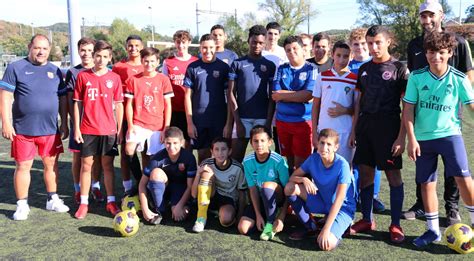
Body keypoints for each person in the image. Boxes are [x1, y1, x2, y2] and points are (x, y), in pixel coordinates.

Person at [402, 0, 474, 224]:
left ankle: (452, 208)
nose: (427, 20)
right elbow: (414, 81)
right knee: (425, 174)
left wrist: (457, 97)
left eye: (431, 15)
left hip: (450, 113)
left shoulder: (459, 42)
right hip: (423, 121)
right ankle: (423, 208)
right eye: (423, 16)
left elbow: (468, 74)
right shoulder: (415, 44)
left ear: (441, 15)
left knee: (456, 171)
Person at [348, 25, 408, 244]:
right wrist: (355, 129)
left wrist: (402, 137)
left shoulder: (399, 69)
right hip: (365, 127)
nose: (373, 47)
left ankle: (395, 224)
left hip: (389, 128)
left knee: (393, 176)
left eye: (377, 43)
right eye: (370, 43)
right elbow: (357, 102)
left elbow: (407, 105)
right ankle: (366, 219)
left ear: (388, 42)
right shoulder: (363, 68)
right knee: (365, 174)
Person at [0, 34, 69, 221]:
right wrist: (6, 122)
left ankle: (52, 198)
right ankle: (22, 204)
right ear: (30, 47)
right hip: (23, 129)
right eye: (37, 48)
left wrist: (65, 122)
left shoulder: (55, 71)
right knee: (23, 166)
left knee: (51, 165)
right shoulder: (16, 67)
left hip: (50, 129)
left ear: (49, 50)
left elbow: (63, 98)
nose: (41, 52)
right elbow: (5, 96)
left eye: (45, 48)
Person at [73, 40, 124, 219]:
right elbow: (77, 104)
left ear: (110, 58)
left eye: (105, 57)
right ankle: (84, 203)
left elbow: (118, 105)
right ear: (93, 56)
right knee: (86, 166)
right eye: (98, 56)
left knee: (107, 166)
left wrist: (119, 129)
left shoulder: (115, 78)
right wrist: (77, 128)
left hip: (109, 130)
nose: (101, 60)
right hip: (88, 129)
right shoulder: (83, 76)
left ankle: (111, 201)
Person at [285, 128, 356, 251]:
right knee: (290, 188)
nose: (324, 147)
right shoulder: (313, 159)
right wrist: (304, 180)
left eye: (329, 144)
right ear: (317, 144)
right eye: (322, 143)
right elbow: (292, 178)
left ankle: (341, 227)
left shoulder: (342, 165)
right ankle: (311, 226)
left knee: (326, 244)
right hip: (323, 201)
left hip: (342, 209)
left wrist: (326, 229)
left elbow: (339, 200)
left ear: (336, 147)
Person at [348, 28, 386, 213]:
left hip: (372, 121)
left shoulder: (375, 64)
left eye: (364, 43)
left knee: (373, 161)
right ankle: (356, 195)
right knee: (355, 161)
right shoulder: (346, 66)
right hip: (349, 121)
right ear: (351, 46)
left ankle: (374, 196)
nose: (361, 47)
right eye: (356, 44)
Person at [226, 25, 276, 162]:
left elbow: (272, 97)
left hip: (262, 118)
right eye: (254, 42)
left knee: (263, 157)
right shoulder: (237, 64)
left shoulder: (270, 65)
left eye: (260, 43)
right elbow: (230, 93)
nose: (257, 45)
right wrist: (237, 121)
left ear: (265, 43)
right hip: (242, 118)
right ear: (248, 41)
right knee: (236, 158)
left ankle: (261, 183)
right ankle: (235, 183)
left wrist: (268, 122)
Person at [124, 47, 174, 181]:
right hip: (138, 123)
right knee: (129, 149)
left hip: (157, 125)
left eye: (152, 61)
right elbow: (128, 104)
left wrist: (166, 127)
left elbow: (168, 105)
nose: (149, 64)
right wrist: (130, 125)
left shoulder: (163, 80)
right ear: (141, 61)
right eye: (146, 61)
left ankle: (151, 186)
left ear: (158, 62)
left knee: (152, 158)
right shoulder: (133, 80)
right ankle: (140, 181)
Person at [65, 37, 104, 204]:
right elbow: (69, 101)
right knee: (78, 158)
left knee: (96, 158)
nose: (86, 54)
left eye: (90, 50)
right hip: (80, 125)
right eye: (83, 50)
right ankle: (77, 188)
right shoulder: (73, 73)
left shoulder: (104, 70)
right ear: (78, 51)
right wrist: (73, 124)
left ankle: (95, 186)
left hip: (98, 124)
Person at [184, 34, 229, 163]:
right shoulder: (192, 67)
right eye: (204, 48)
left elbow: (230, 95)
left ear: (216, 47)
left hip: (219, 119)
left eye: (210, 47)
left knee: (220, 154)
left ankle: (220, 182)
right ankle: (203, 182)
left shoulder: (224, 67)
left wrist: (228, 123)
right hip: (199, 119)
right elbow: (187, 96)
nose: (207, 51)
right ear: (200, 48)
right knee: (202, 154)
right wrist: (190, 122)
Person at [238, 125, 289, 241]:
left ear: (270, 142)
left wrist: (282, 216)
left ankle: (271, 221)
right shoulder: (247, 161)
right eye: (255, 141)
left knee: (267, 185)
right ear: (251, 143)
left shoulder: (279, 161)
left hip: (277, 199)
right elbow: (253, 189)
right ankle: (265, 217)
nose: (259, 144)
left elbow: (288, 191)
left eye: (262, 141)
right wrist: (257, 214)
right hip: (261, 199)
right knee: (243, 228)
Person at [272, 35, 316, 171]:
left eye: (295, 48)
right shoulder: (281, 68)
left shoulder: (311, 69)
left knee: (301, 165)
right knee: (289, 163)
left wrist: (284, 95)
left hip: (303, 122)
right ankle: (290, 191)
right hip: (282, 122)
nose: (292, 52)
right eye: (288, 50)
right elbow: (275, 94)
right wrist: (298, 95)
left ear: (303, 49)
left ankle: (301, 191)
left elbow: (308, 95)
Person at [138, 127, 197, 224]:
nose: (171, 147)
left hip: (181, 188)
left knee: (180, 215)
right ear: (164, 142)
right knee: (156, 172)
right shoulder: (157, 158)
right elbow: (142, 184)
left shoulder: (189, 158)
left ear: (182, 142)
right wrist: (145, 210)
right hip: (165, 186)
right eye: (168, 143)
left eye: (175, 143)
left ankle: (183, 205)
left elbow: (190, 186)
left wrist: (179, 206)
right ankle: (160, 209)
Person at [312, 41, 357, 166]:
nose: (342, 59)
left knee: (345, 168)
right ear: (332, 54)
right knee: (323, 167)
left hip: (345, 133)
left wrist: (353, 131)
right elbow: (315, 106)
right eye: (338, 55)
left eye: (346, 56)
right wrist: (314, 133)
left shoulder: (354, 79)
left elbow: (358, 107)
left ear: (351, 57)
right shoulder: (322, 77)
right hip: (324, 131)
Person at [191, 137, 247, 233]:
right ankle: (201, 217)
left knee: (226, 220)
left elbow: (242, 193)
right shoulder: (207, 163)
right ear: (212, 151)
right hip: (211, 195)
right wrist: (198, 174)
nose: (220, 153)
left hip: (227, 199)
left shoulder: (237, 168)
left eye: (223, 149)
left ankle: (215, 211)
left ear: (229, 151)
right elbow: (194, 194)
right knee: (206, 172)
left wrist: (240, 215)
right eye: (216, 149)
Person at [112, 35, 144, 196]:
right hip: (125, 115)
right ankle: (127, 186)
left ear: (142, 46)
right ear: (126, 47)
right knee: (126, 151)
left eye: (137, 45)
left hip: (144, 114)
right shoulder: (118, 67)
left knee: (147, 152)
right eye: (130, 45)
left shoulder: (147, 64)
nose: (133, 48)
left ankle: (145, 183)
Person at [163, 30, 198, 149]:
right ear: (175, 43)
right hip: (174, 110)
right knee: (175, 142)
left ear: (189, 42)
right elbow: (164, 86)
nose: (181, 45)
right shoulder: (168, 62)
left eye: (184, 42)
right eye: (178, 42)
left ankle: (189, 167)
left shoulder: (196, 61)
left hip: (191, 109)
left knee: (189, 143)